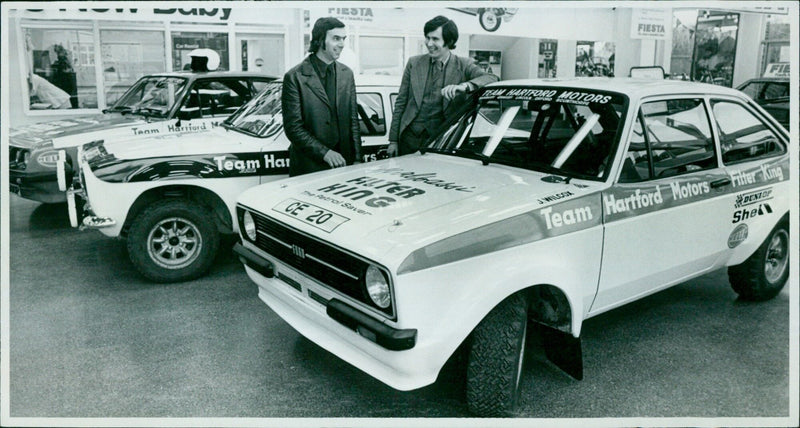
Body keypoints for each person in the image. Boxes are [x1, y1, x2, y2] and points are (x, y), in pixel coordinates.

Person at [388, 15, 498, 157]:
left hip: (442, 142)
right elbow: (401, 103)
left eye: (435, 39)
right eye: (428, 37)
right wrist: (393, 141)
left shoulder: (464, 65)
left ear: (449, 41)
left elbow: (493, 78)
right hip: (408, 140)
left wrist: (466, 86)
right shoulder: (413, 63)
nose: (429, 43)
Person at [282, 17, 361, 176]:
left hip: (344, 166)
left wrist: (357, 159)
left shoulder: (346, 74)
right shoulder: (295, 76)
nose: (342, 44)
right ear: (320, 40)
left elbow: (353, 121)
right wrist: (325, 153)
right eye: (336, 38)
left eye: (343, 39)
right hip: (309, 166)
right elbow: (293, 128)